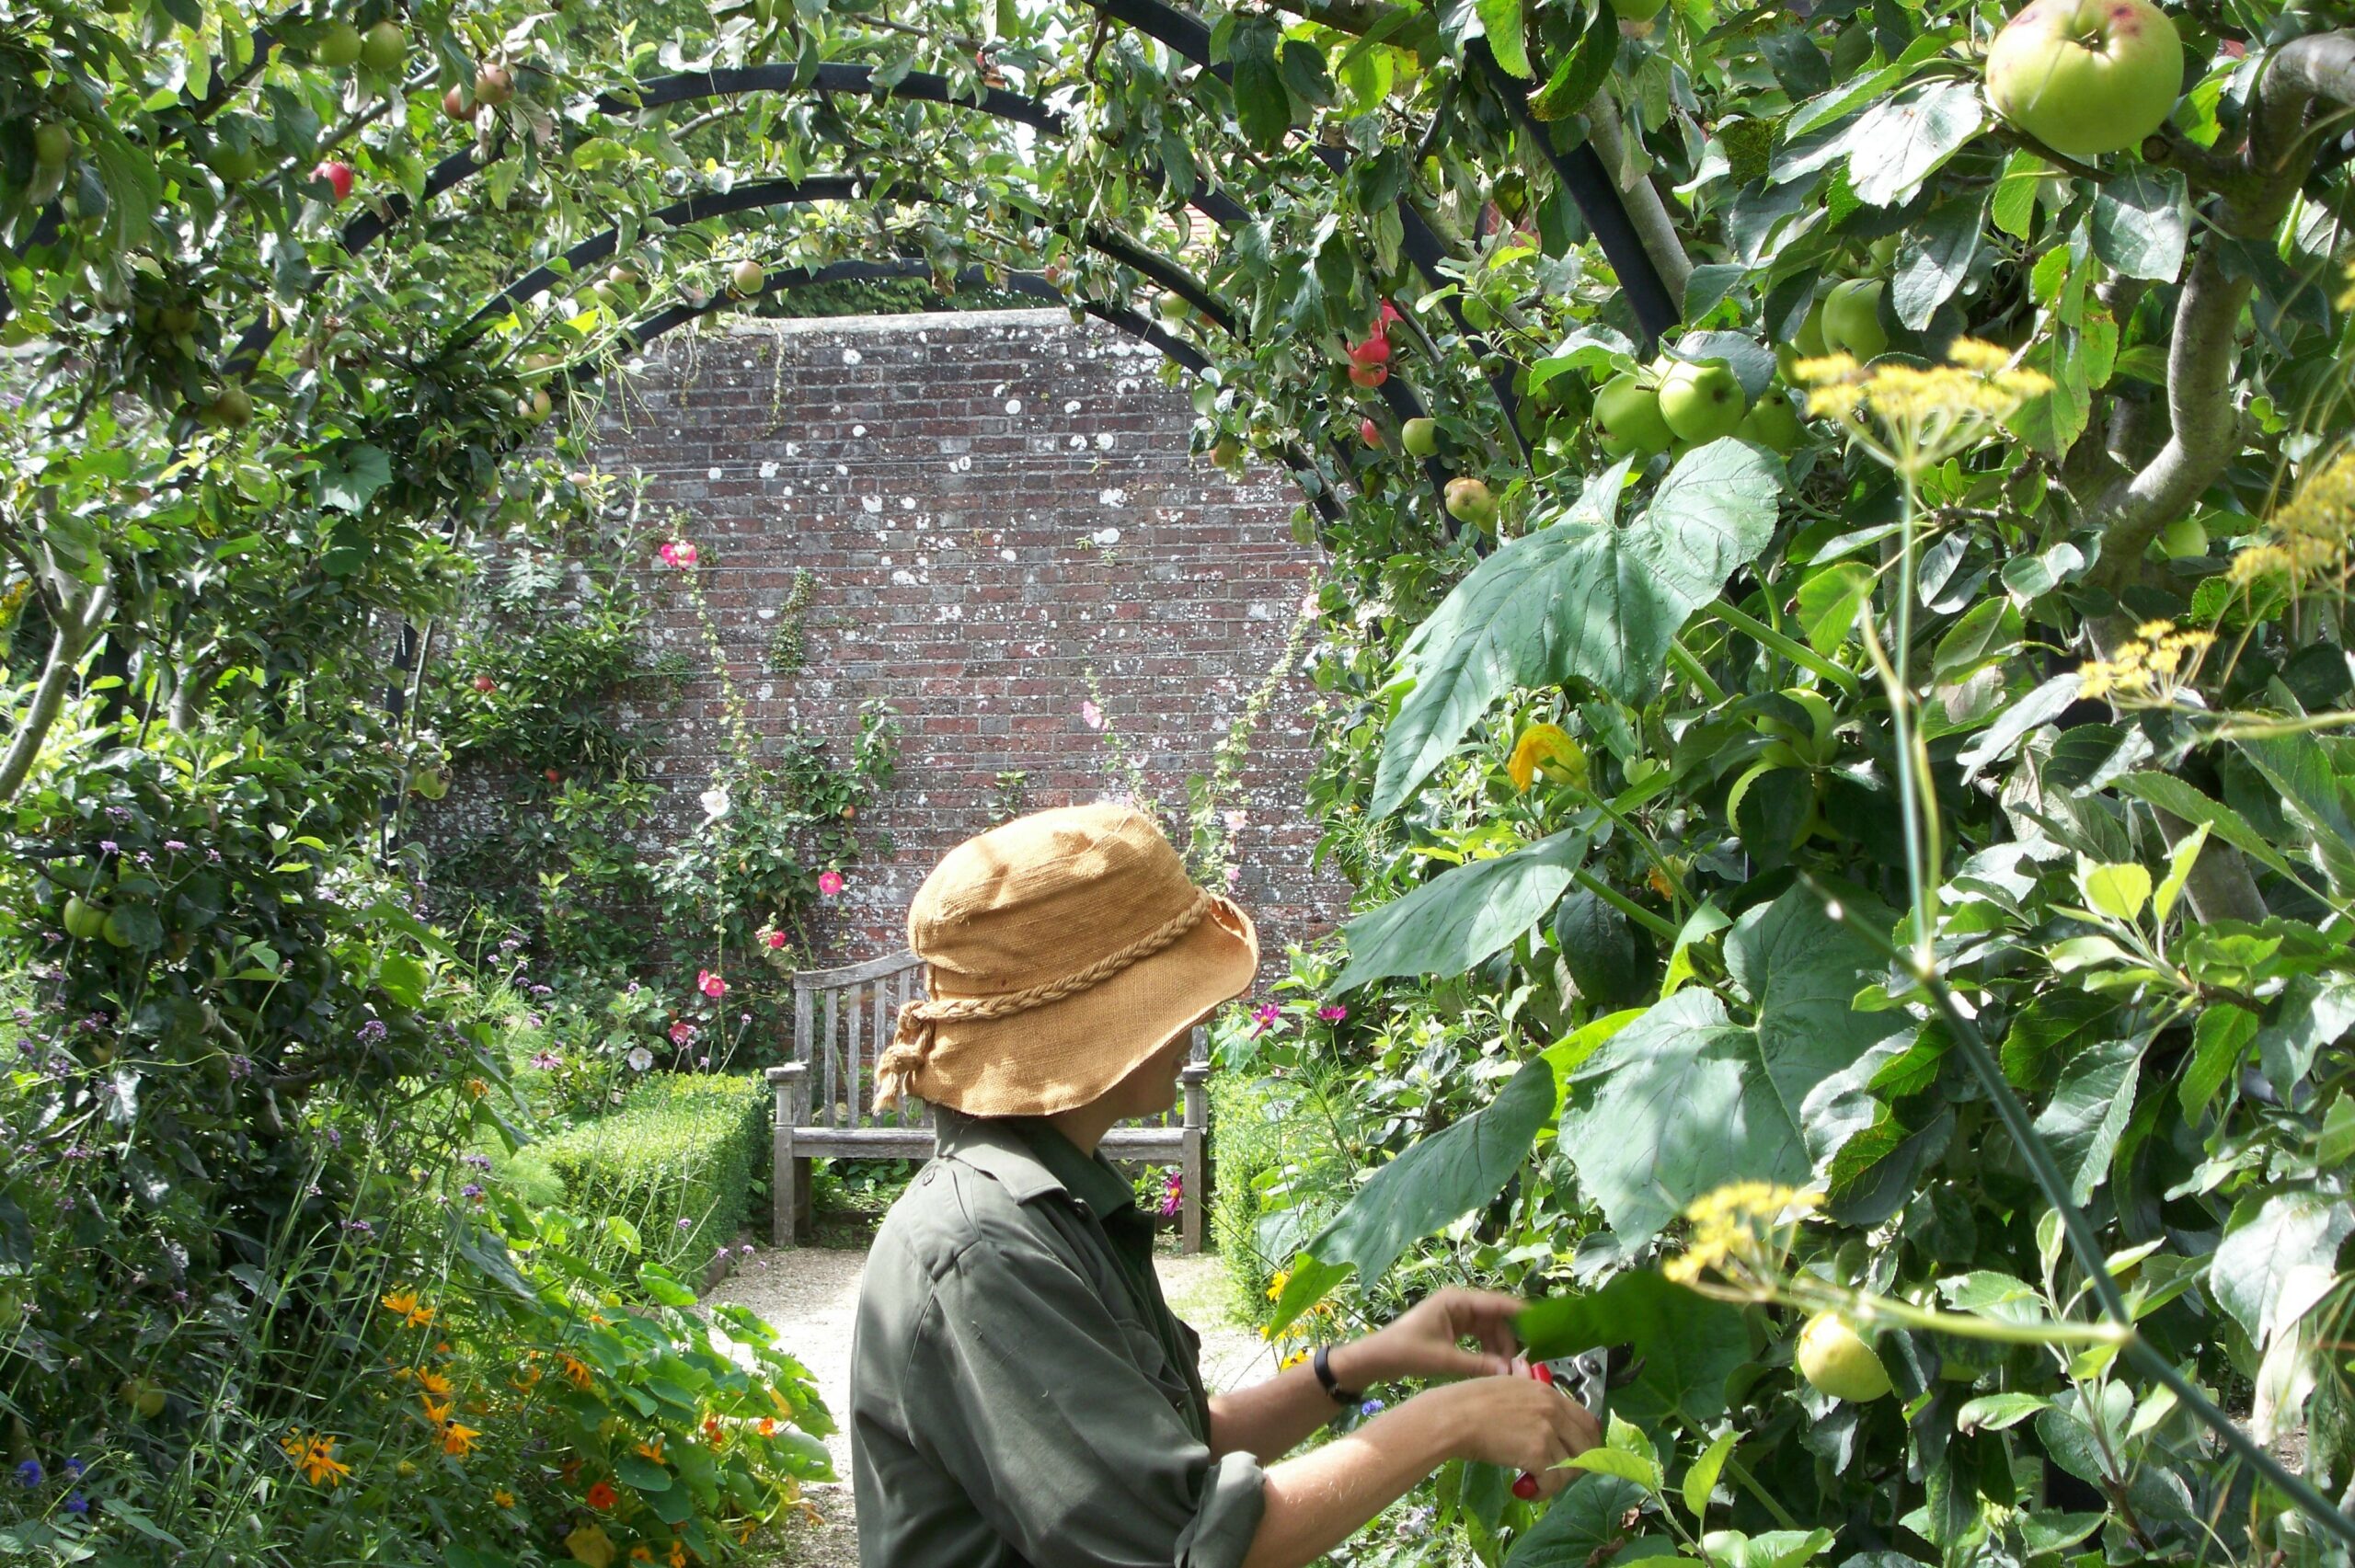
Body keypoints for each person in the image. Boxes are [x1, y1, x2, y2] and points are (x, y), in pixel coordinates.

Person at [848, 803, 1598, 1568]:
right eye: (1169, 995)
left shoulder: (1051, 1201)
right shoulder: (983, 1248)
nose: (1198, 1018)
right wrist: (1450, 1420)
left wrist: (1361, 1363)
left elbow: (1170, 1450)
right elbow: (1188, 1543)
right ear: (1097, 1023)